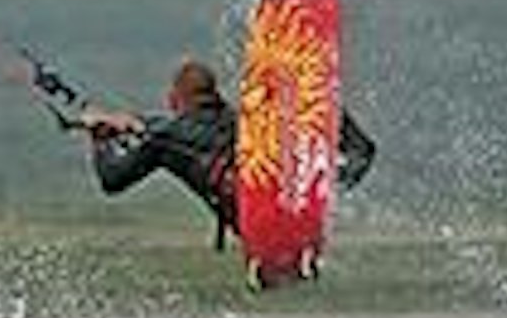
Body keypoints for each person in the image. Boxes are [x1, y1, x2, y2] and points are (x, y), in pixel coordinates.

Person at [80, 58, 375, 268]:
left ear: (173, 99)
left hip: (250, 212)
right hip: (282, 191)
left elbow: (112, 179)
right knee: (350, 156)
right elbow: (163, 125)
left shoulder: (163, 140)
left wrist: (100, 139)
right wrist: (127, 124)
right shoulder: (239, 120)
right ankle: (335, 135)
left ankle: (294, 216)